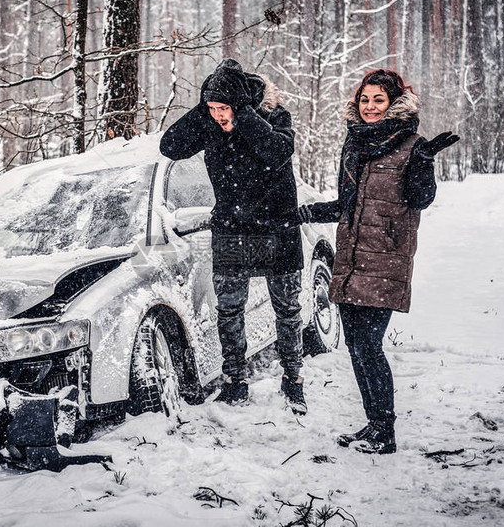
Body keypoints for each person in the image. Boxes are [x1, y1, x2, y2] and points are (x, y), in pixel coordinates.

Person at [297, 69, 459, 452]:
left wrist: (423, 165)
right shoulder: (353, 145)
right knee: (355, 344)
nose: (370, 107)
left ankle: (385, 431)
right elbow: (346, 206)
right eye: (365, 100)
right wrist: (302, 213)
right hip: (351, 256)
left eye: (378, 101)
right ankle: (373, 424)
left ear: (394, 104)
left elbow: (420, 200)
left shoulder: (411, 145)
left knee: (369, 344)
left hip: (386, 258)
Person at [160, 58, 308, 414]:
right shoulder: (210, 121)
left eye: (222, 108)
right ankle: (235, 382)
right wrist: (204, 108)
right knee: (228, 311)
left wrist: (240, 115)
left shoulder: (275, 117)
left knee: (287, 309)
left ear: (241, 105)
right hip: (231, 228)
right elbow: (170, 146)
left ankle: (293, 378)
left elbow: (276, 152)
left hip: (278, 228)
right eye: (212, 108)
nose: (218, 116)